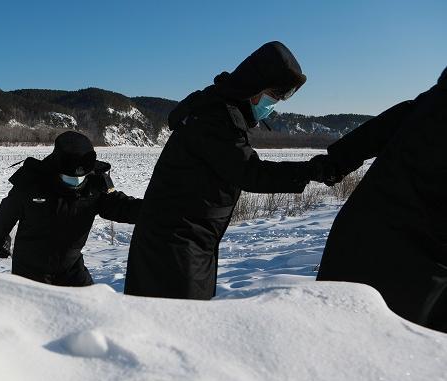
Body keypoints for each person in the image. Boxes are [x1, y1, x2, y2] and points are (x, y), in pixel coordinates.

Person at [124, 41, 346, 300]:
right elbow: (250, 172)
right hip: (172, 246)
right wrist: (312, 170)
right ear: (254, 86)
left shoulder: (218, 110)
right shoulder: (214, 118)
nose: (275, 103)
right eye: (274, 95)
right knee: (173, 327)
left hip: (188, 241)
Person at [317, 67, 447, 333]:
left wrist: (333, 163)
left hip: (363, 236)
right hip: (413, 261)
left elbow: (375, 132)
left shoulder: (430, 102)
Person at [0, 131, 142, 287]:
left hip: (71, 267)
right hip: (30, 270)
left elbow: (121, 206)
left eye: (81, 178)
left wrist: (155, 210)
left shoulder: (95, 185)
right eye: (69, 177)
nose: (75, 182)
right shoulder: (32, 182)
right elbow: (5, 216)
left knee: (90, 305)